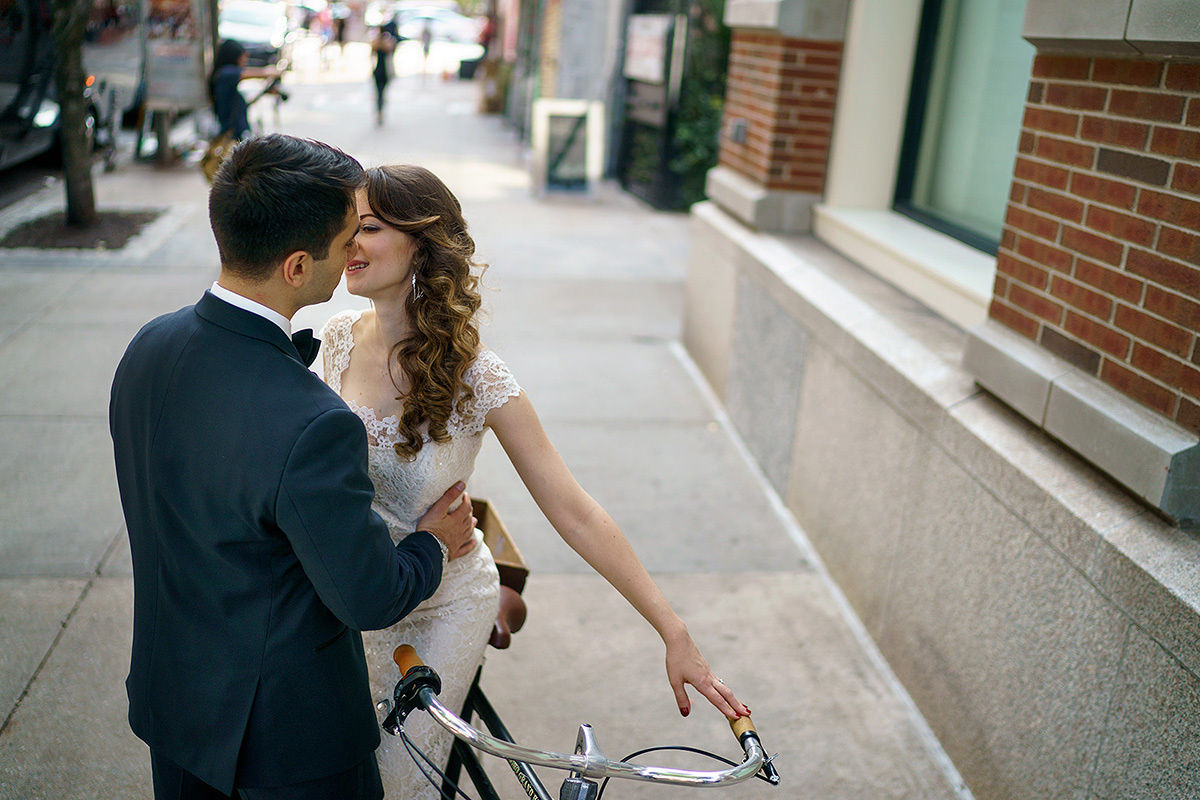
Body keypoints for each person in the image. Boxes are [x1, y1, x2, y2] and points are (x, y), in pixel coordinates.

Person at [319, 164, 750, 799]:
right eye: (348, 227)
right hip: (357, 593)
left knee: (398, 784)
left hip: (441, 604)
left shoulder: (478, 377)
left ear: (421, 245)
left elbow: (576, 512)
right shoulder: (333, 341)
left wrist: (673, 631)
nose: (350, 243)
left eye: (371, 228)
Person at [109, 135, 477, 800]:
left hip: (176, 711)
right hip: (290, 747)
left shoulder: (147, 349)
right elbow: (370, 597)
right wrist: (432, 544)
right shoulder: (313, 423)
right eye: (346, 238)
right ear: (298, 265)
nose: (354, 250)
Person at [208, 39, 281, 141]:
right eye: (243, 57)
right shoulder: (226, 73)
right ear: (234, 56)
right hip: (231, 135)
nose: (245, 61)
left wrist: (265, 92)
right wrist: (270, 71)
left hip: (236, 133)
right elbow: (255, 73)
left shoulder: (226, 77)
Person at [371, 16, 398, 126]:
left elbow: (371, 58)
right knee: (383, 93)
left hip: (378, 71)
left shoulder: (375, 43)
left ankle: (379, 111)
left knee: (378, 93)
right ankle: (380, 111)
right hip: (385, 71)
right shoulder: (388, 44)